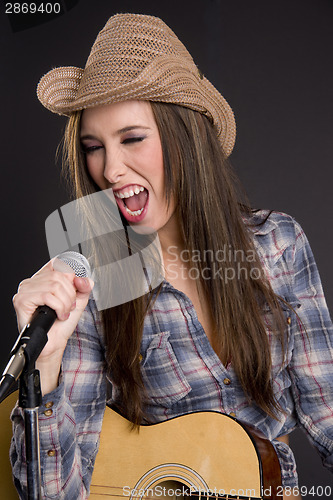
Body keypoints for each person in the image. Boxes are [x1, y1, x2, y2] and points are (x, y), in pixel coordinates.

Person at [10, 12, 333, 500]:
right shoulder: (94, 282)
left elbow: (327, 411)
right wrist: (47, 362)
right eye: (94, 147)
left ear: (186, 139)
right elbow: (51, 493)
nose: (111, 169)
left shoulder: (278, 244)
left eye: (132, 138)